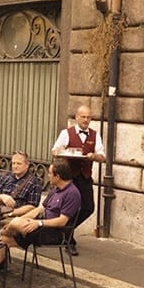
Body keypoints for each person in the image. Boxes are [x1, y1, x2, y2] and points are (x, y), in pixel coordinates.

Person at [0, 158, 81, 287]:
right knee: (3, 241)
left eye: (51, 173)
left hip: (53, 233)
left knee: (10, 226)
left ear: (58, 176)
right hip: (36, 227)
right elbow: (38, 209)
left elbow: (62, 221)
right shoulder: (55, 190)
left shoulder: (72, 193)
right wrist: (23, 219)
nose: (49, 176)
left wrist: (39, 223)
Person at [51, 104, 106, 255]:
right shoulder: (66, 133)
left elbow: (102, 157)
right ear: (76, 117)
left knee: (88, 208)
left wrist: (93, 156)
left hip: (85, 177)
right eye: (83, 117)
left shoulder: (95, 135)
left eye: (88, 117)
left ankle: (64, 231)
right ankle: (69, 239)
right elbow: (55, 151)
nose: (86, 120)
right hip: (69, 178)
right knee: (71, 208)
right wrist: (64, 151)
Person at [0, 151, 43, 218]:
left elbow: (32, 207)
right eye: (13, 163)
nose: (15, 166)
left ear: (27, 165)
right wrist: (2, 197)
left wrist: (10, 213)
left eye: (19, 164)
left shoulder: (34, 182)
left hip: (17, 217)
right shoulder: (6, 177)